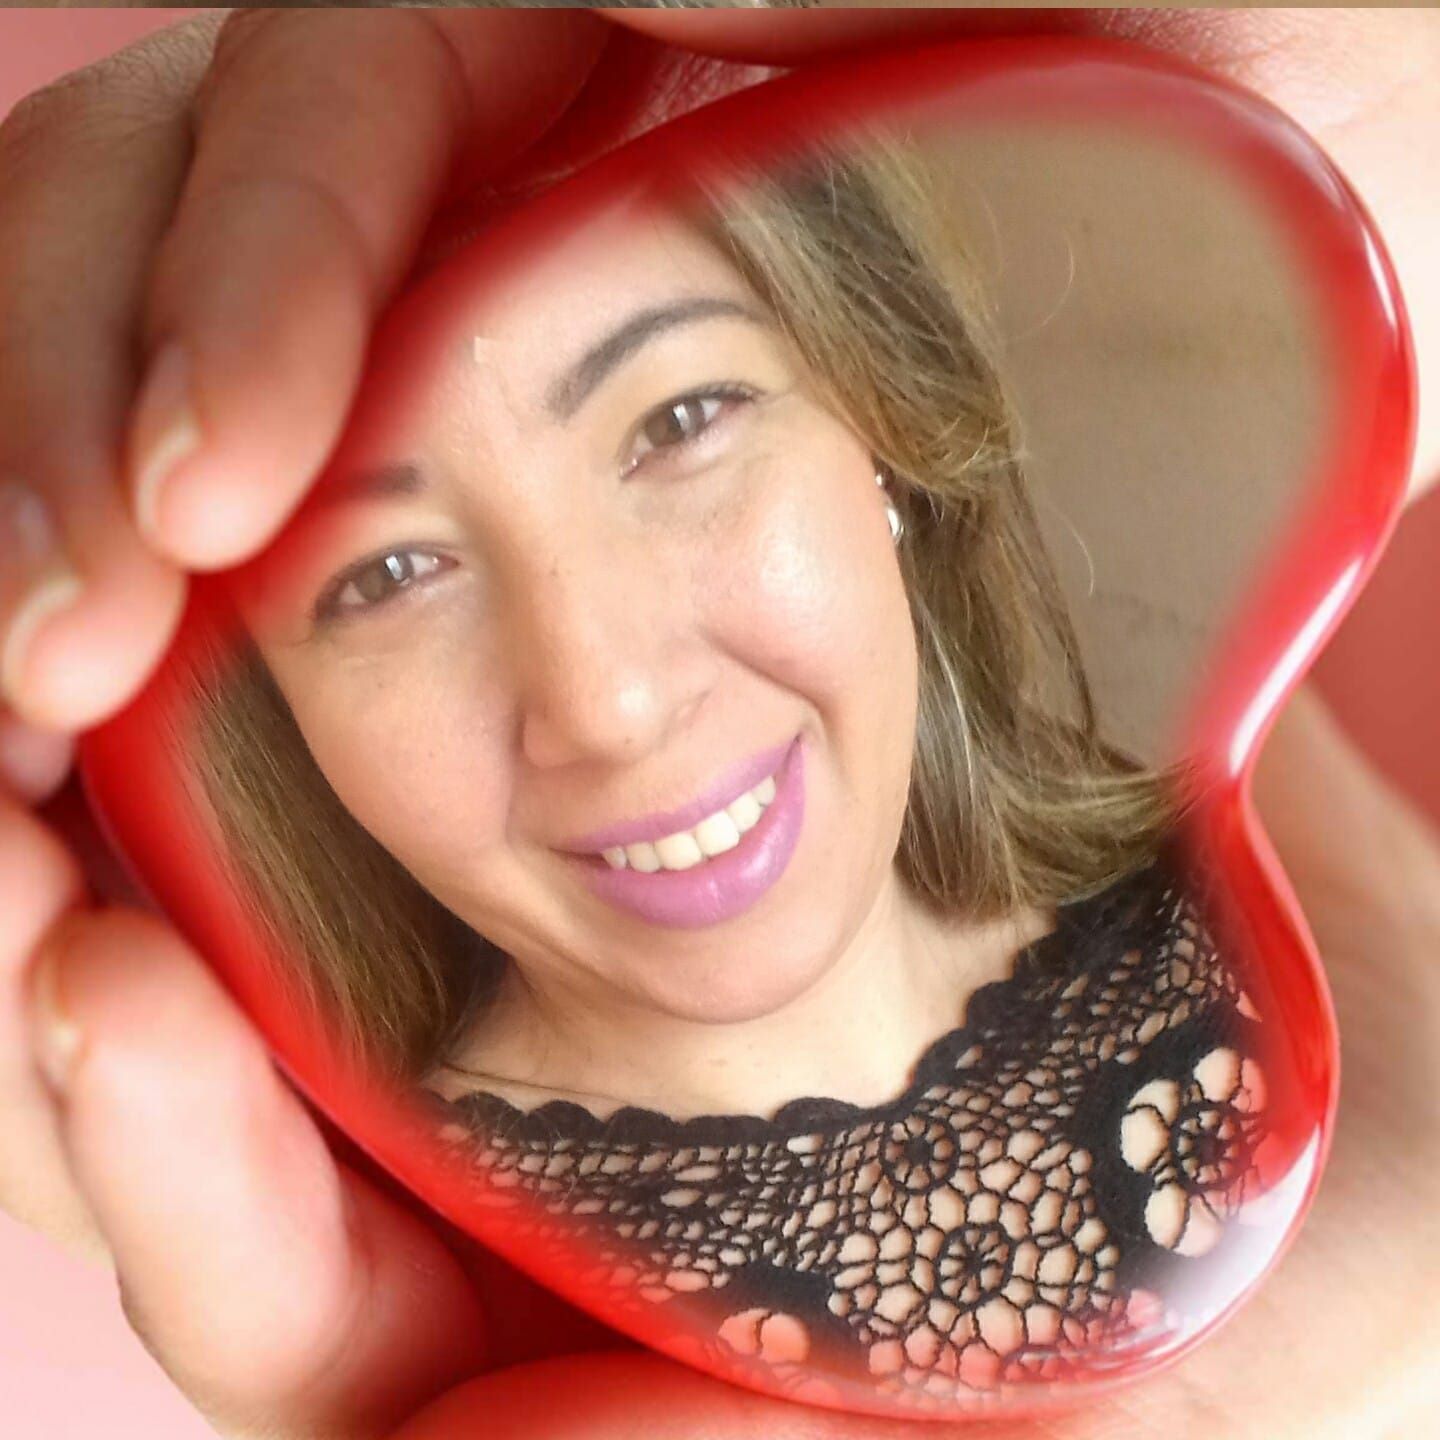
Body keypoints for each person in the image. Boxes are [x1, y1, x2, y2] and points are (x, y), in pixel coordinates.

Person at [0, 8, 1437, 1439]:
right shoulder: (355, 1188)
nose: (611, 705)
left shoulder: (1187, 914)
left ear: (878, 433)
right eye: (385, 577)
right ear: (288, 717)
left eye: (681, 424)